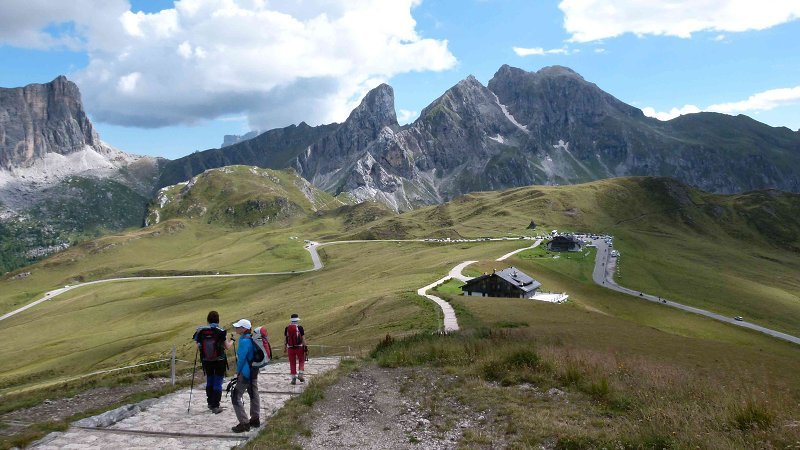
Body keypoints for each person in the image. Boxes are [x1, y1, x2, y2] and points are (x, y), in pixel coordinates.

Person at [192, 311, 232, 414]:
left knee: (209, 380)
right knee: (218, 382)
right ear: (218, 320)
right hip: (219, 360)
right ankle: (216, 406)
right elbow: (227, 347)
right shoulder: (221, 331)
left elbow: (198, 345)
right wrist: (232, 341)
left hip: (206, 360)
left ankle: (210, 403)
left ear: (208, 320)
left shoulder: (201, 331)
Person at [230, 318, 261, 433]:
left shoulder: (244, 341)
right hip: (253, 371)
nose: (236, 328)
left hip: (245, 373)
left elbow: (241, 359)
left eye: (238, 327)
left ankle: (244, 423)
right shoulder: (252, 339)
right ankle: (255, 419)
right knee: (253, 393)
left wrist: (237, 372)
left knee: (235, 396)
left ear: (244, 329)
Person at [284, 313, 306, 385]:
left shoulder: (287, 328)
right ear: (297, 320)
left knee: (292, 363)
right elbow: (303, 338)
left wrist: (285, 348)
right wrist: (305, 346)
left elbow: (285, 339)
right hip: (299, 347)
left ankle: (293, 378)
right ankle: (300, 374)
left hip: (290, 348)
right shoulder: (300, 328)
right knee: (301, 360)